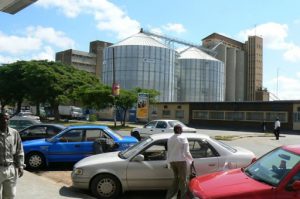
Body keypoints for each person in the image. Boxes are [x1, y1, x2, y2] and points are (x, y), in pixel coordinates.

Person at [0, 112, 25, 199]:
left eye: (7, 119)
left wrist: (21, 166)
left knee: (10, 196)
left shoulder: (14, 133)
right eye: (2, 119)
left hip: (11, 169)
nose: (5, 121)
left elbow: (19, 150)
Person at [166, 124, 193, 199]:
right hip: (181, 161)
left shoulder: (170, 138)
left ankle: (169, 196)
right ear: (178, 130)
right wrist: (192, 160)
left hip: (172, 161)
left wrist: (168, 162)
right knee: (183, 181)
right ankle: (183, 197)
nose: (182, 130)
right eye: (181, 129)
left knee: (176, 179)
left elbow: (169, 151)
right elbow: (186, 152)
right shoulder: (183, 138)